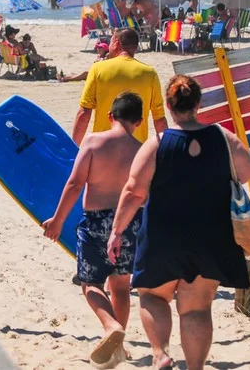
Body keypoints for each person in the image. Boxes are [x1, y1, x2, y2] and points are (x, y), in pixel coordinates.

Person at [107, 75, 250, 370]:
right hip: (211, 236)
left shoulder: (158, 143)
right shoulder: (223, 138)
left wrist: (117, 230)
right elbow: (247, 171)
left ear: (169, 106)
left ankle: (161, 354)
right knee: (197, 308)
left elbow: (134, 190)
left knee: (152, 296)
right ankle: (196, 367)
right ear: (198, 104)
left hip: (164, 235)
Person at [43, 92, 146, 366]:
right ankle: (118, 347)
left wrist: (57, 220)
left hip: (96, 223)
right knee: (121, 286)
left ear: (111, 116)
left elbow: (75, 184)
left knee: (90, 283)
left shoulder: (92, 142)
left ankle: (110, 326)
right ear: (139, 120)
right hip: (131, 222)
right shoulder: (141, 150)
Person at [72, 28, 167, 147]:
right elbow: (159, 120)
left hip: (102, 149)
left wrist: (73, 149)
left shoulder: (98, 69)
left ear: (116, 43)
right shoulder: (149, 74)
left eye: (110, 42)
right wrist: (166, 153)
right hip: (136, 152)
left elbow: (84, 114)